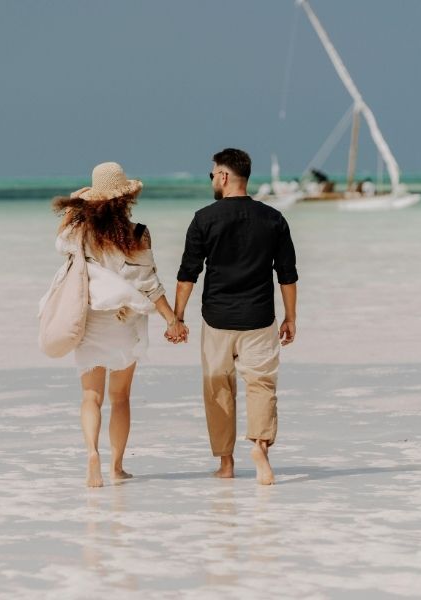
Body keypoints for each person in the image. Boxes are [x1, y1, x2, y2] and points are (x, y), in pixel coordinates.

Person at [52, 162, 187, 488]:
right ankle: (116, 466)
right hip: (125, 321)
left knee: (91, 397)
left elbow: (59, 242)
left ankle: (92, 455)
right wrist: (173, 321)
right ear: (126, 197)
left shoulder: (79, 233)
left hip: (91, 320)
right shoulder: (139, 233)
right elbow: (150, 284)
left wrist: (77, 205)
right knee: (121, 397)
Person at [172, 148, 298, 485]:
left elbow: (188, 274)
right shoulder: (274, 219)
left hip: (217, 319)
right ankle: (260, 448)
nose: (212, 178)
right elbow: (287, 274)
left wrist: (177, 317)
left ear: (224, 176)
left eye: (212, 173)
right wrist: (291, 318)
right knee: (261, 385)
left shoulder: (204, 218)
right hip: (259, 317)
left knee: (218, 388)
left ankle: (226, 463)